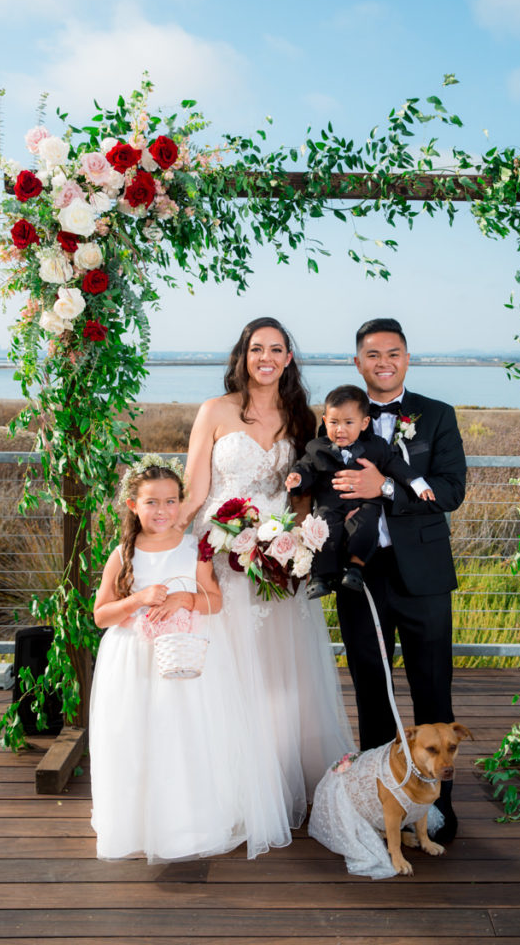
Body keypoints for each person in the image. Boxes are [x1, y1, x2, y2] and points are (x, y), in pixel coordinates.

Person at [178, 317, 354, 831]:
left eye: (277, 349)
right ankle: (228, 791)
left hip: (276, 563)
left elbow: (303, 498)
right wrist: (167, 545)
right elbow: (194, 491)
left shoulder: (303, 419)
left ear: (289, 358)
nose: (267, 358)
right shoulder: (215, 411)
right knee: (226, 673)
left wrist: (296, 550)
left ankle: (279, 784)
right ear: (243, 355)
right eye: (258, 349)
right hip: (219, 559)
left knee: (280, 679)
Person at [90, 457, 292, 862]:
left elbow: (214, 603)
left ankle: (191, 824)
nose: (162, 511)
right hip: (134, 662)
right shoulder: (123, 553)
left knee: (186, 734)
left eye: (170, 501)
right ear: (133, 505)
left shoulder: (193, 549)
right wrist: (138, 599)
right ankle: (140, 823)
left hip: (188, 655)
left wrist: (185, 598)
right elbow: (101, 615)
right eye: (151, 503)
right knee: (138, 736)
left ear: (182, 502)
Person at [333, 318, 467, 842]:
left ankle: (436, 810)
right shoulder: (342, 419)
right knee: (372, 689)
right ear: (358, 362)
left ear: (406, 358)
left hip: (425, 575)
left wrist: (385, 487)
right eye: (372, 354)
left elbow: (451, 490)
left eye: (393, 353)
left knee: (434, 690)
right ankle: (378, 804)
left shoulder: (437, 416)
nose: (383, 362)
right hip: (362, 576)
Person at [285, 384, 434, 598]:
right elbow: (306, 466)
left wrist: (417, 484)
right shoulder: (316, 447)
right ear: (325, 421)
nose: (340, 430)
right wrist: (297, 477)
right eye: (334, 423)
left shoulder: (376, 446)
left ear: (364, 423)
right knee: (322, 530)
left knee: (366, 526)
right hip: (331, 504)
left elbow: (396, 466)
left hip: (364, 503)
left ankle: (355, 568)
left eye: (348, 423)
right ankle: (321, 577)